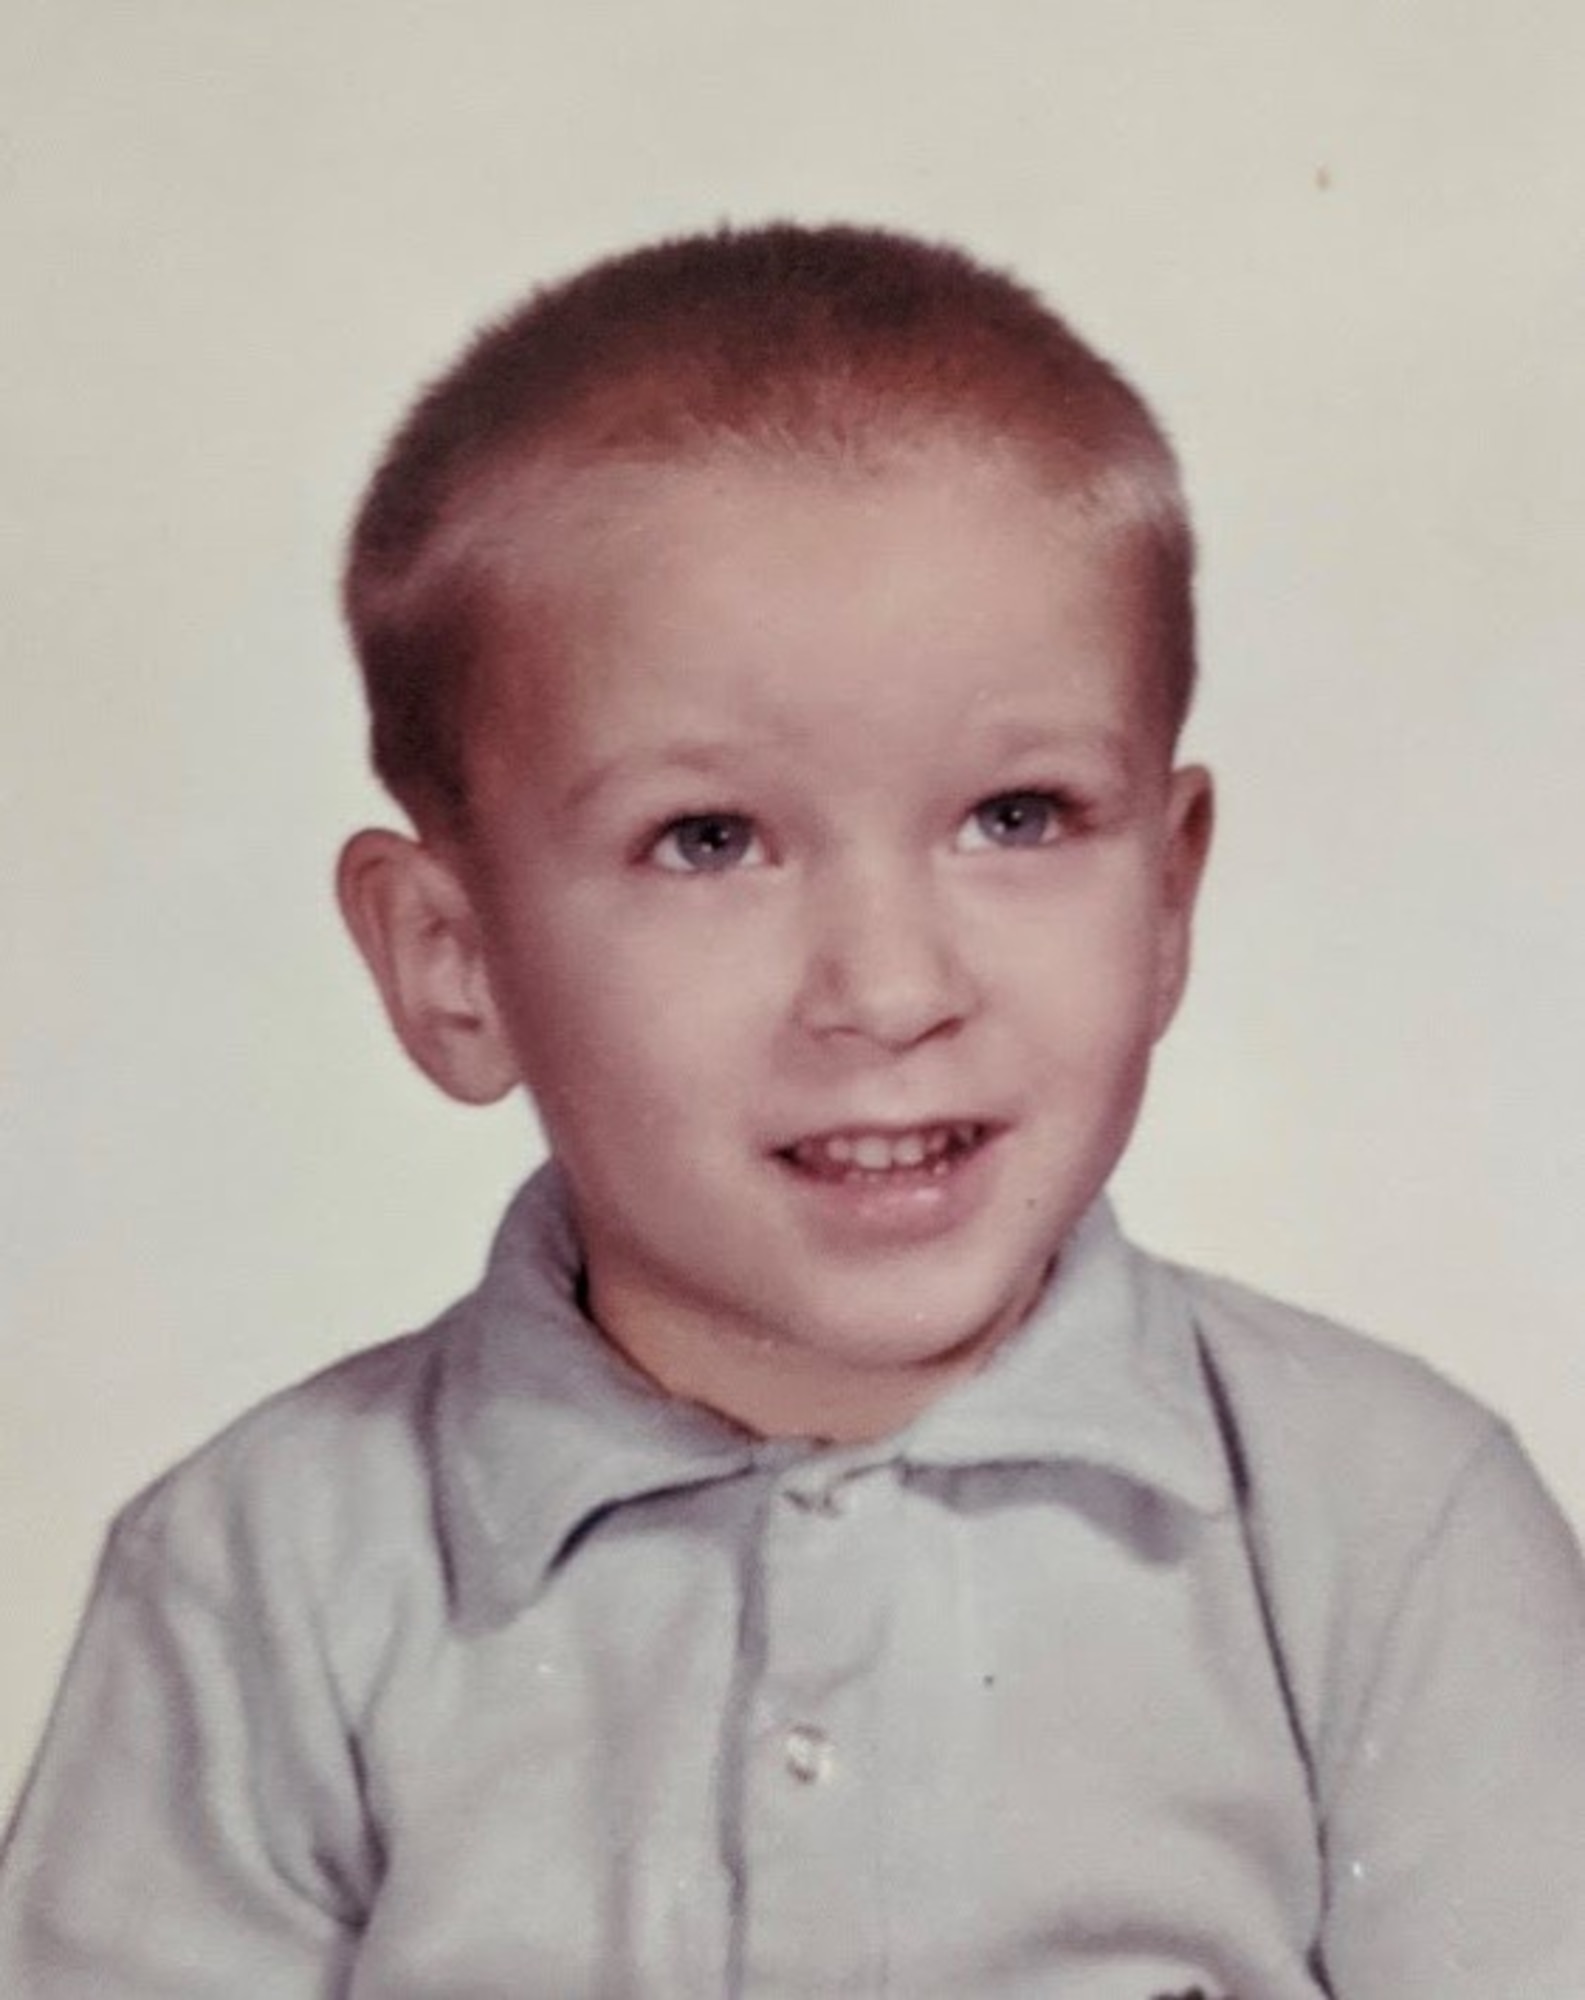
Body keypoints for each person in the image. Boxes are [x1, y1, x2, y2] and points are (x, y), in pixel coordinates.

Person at [2, 223, 1581, 1999]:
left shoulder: (1384, 1531)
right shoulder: (261, 1580)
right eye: (709, 841)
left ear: (1166, 896)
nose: (891, 990)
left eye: (1018, 814)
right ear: (453, 961)